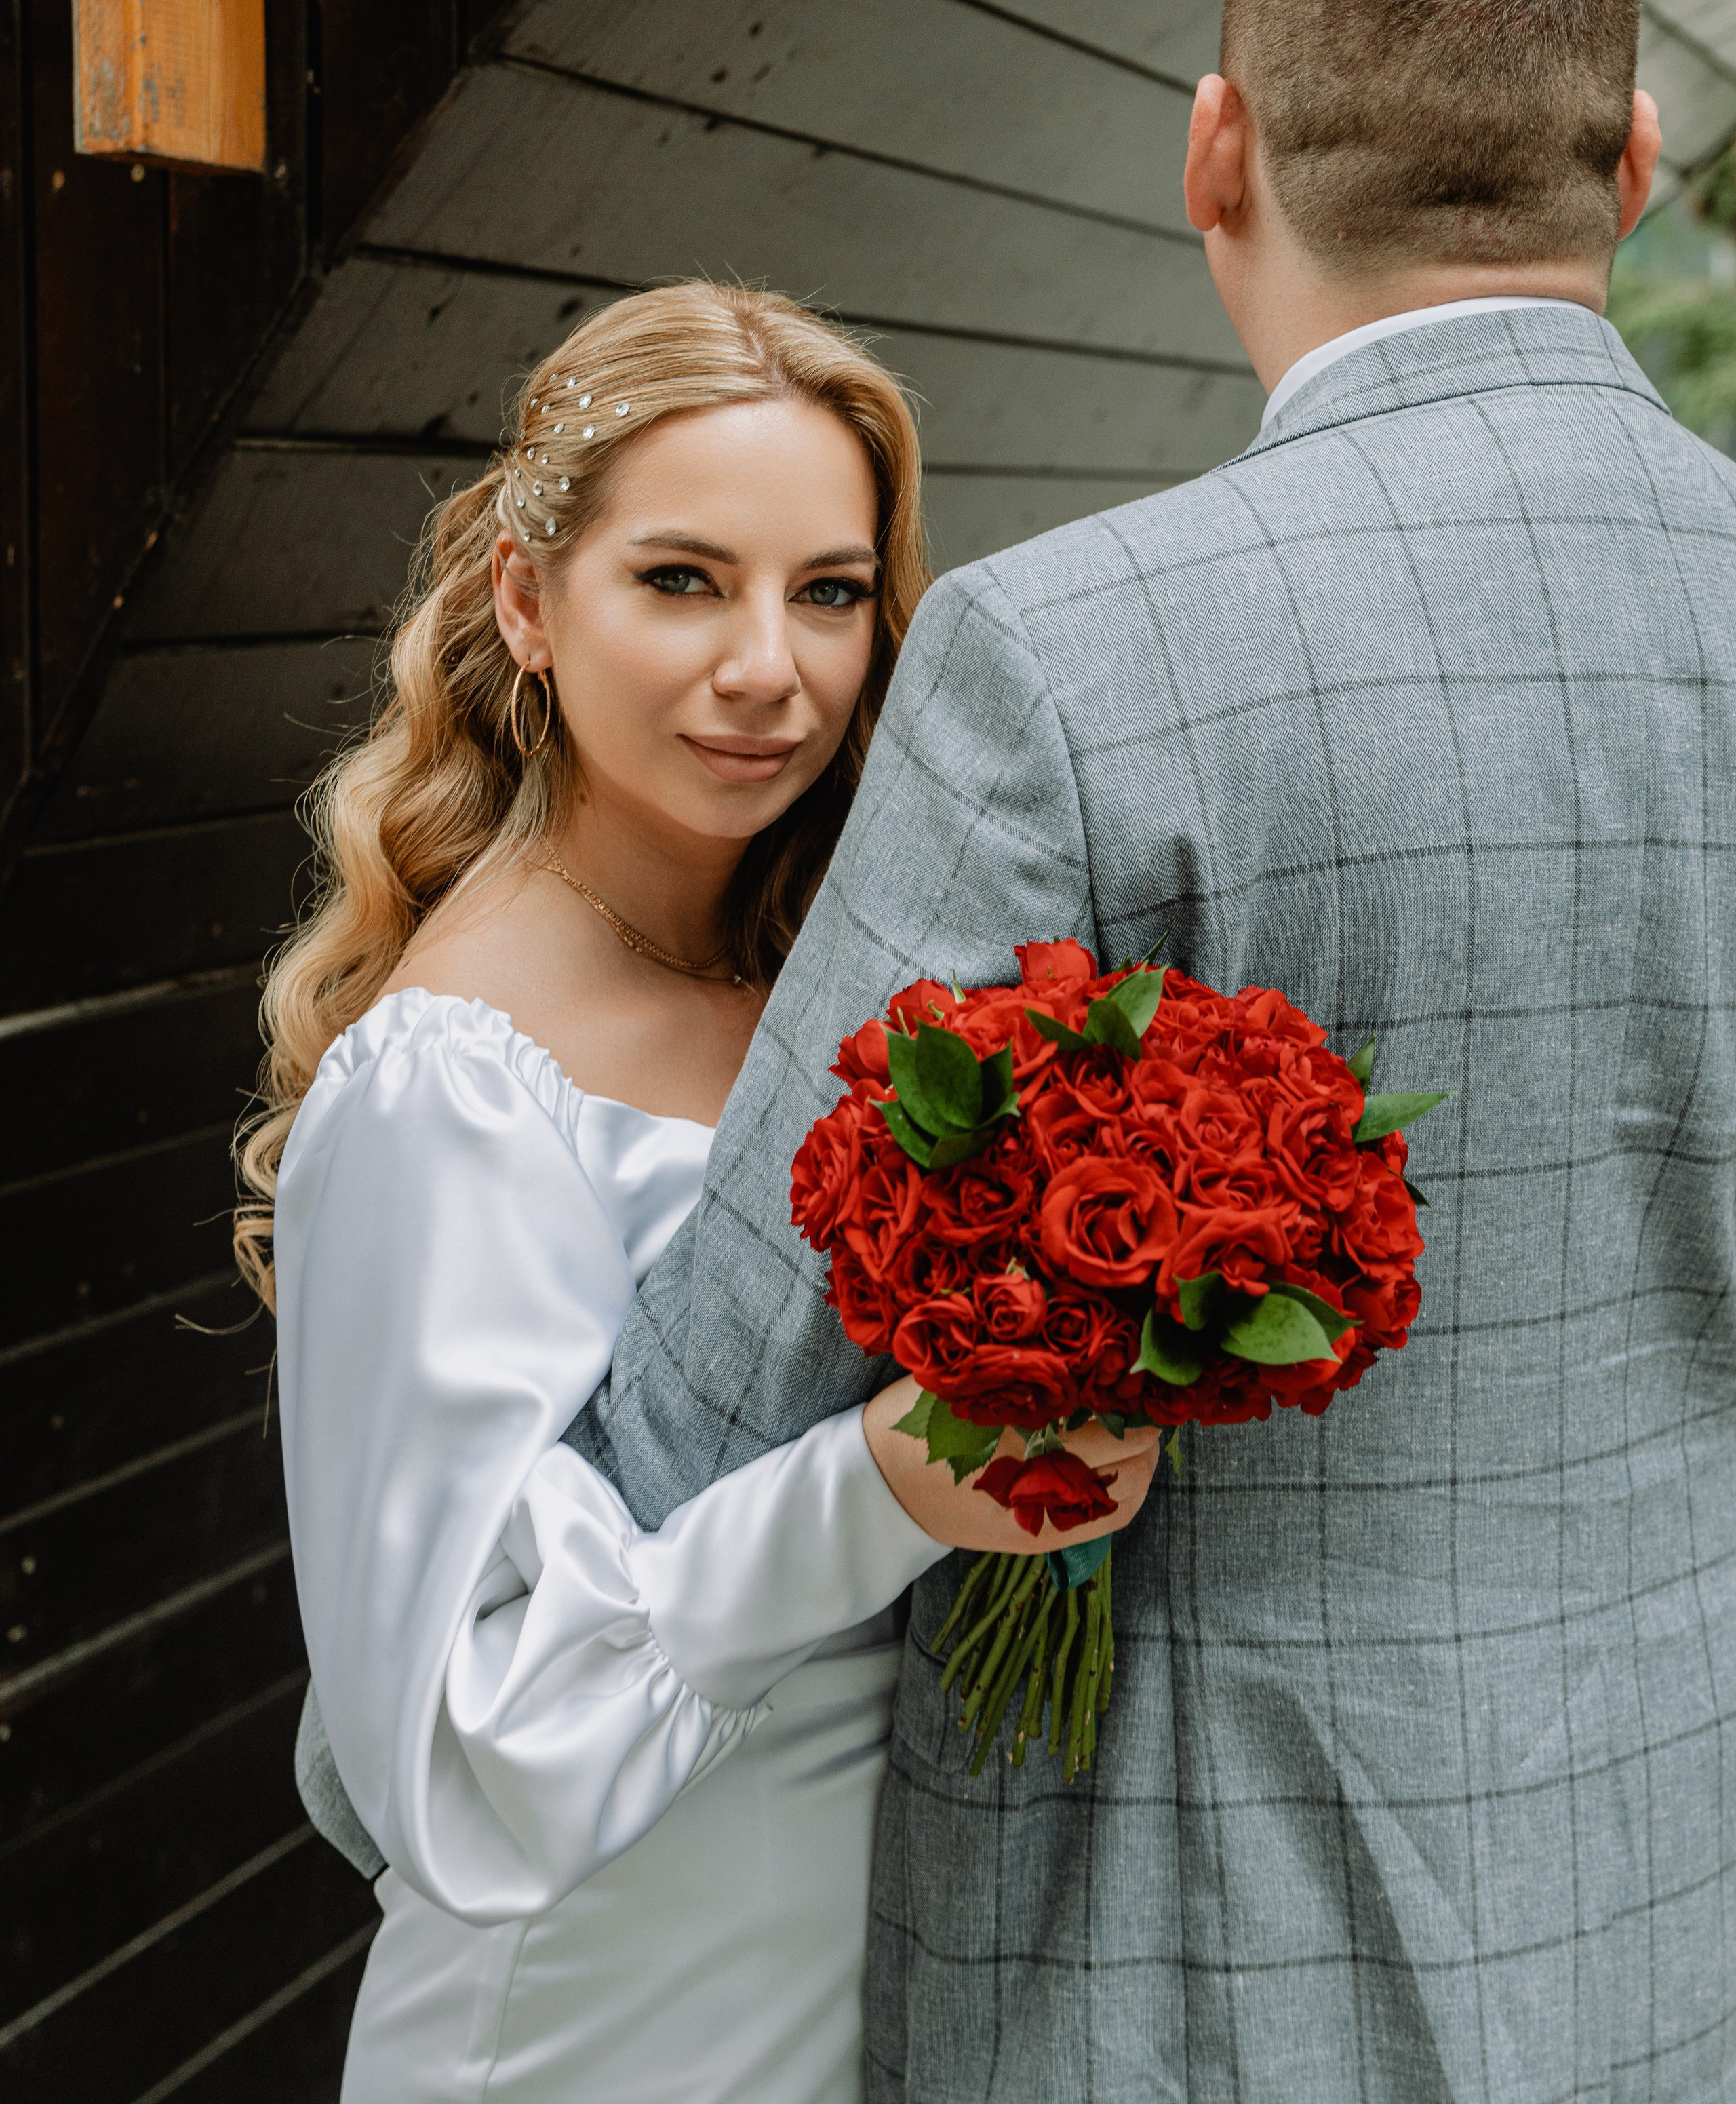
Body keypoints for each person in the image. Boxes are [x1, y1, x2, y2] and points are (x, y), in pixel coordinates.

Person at [565, 0, 1736, 2100]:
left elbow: (735, 1383)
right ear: (1638, 152)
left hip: (1187, 1955)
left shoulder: (1071, 652)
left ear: (1216, 153)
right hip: (1677, 1873)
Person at [239, 281, 1157, 2104]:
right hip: (590, 2025)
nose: (773, 670)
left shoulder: (816, 975)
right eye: (682, 581)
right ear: (525, 597)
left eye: (828, 591)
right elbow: (465, 1734)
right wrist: (883, 1488)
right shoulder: (453, 1078)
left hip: (842, 1998)